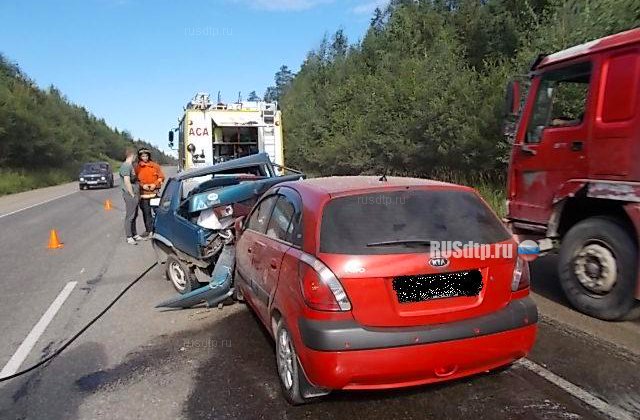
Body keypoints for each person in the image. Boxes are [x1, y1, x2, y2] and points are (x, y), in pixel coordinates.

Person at [135, 147, 165, 238]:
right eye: (143, 156)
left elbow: (161, 177)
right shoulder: (137, 168)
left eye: (146, 156)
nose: (145, 158)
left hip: (154, 194)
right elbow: (135, 180)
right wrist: (142, 185)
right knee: (146, 214)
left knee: (158, 213)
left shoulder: (155, 166)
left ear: (149, 156)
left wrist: (154, 185)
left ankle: (159, 230)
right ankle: (149, 230)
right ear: (140, 157)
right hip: (143, 195)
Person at [120, 149, 142, 245]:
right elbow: (127, 181)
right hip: (130, 194)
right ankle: (129, 237)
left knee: (135, 214)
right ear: (132, 155)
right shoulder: (126, 166)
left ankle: (134, 234)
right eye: (135, 156)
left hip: (135, 193)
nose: (136, 158)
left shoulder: (130, 166)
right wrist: (132, 194)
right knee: (130, 216)